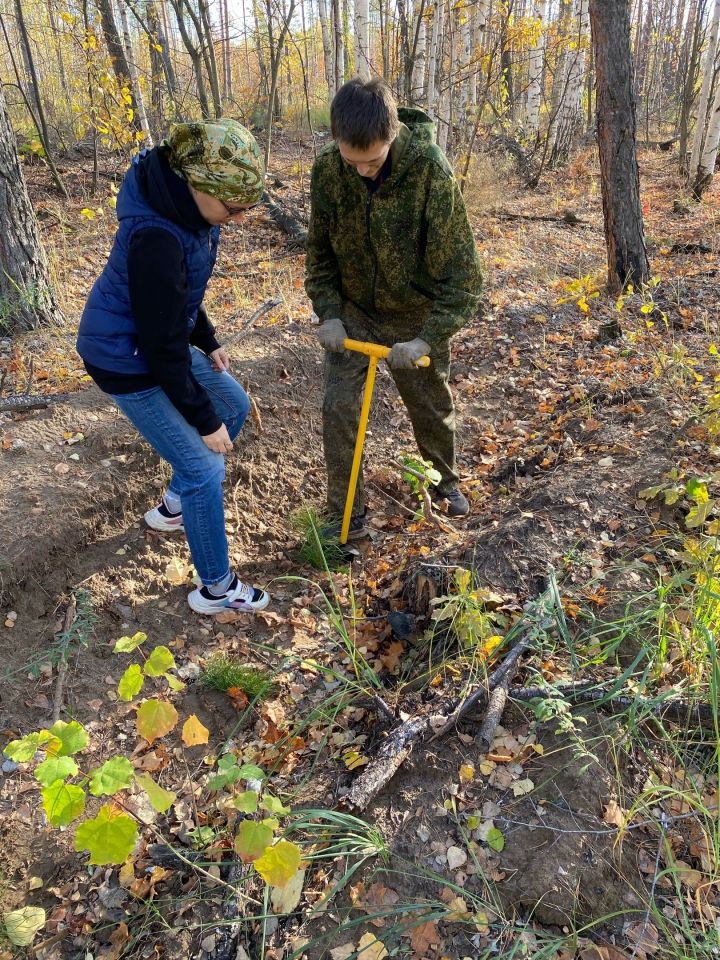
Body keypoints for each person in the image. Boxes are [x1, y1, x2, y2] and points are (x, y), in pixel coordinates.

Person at [77, 120, 270, 615]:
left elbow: (181, 295)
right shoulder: (156, 238)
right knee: (206, 465)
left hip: (154, 338)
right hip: (127, 358)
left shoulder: (191, 214)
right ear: (201, 186)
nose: (239, 217)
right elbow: (160, 348)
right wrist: (203, 422)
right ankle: (216, 588)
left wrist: (206, 340)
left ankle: (174, 508)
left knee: (234, 402)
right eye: (234, 207)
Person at [305, 79, 483, 536]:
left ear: (393, 134)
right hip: (354, 311)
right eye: (352, 162)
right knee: (339, 408)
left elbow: (465, 277)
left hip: (415, 313)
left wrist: (427, 336)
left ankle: (444, 482)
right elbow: (320, 255)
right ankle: (346, 512)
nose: (362, 171)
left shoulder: (429, 171)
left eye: (373, 161)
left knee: (430, 405)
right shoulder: (327, 170)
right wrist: (329, 312)